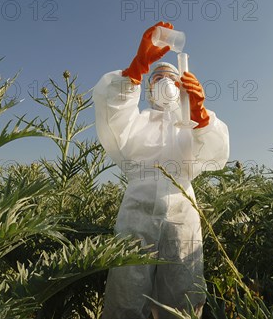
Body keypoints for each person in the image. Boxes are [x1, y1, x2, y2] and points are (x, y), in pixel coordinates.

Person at [93, 22, 230, 319]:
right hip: (136, 213)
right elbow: (114, 119)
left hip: (182, 214)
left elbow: (214, 154)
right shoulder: (137, 120)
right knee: (126, 295)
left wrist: (202, 119)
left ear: (181, 83)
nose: (165, 82)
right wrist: (134, 71)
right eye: (157, 76)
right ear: (148, 87)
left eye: (171, 77)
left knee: (182, 296)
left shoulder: (188, 123)